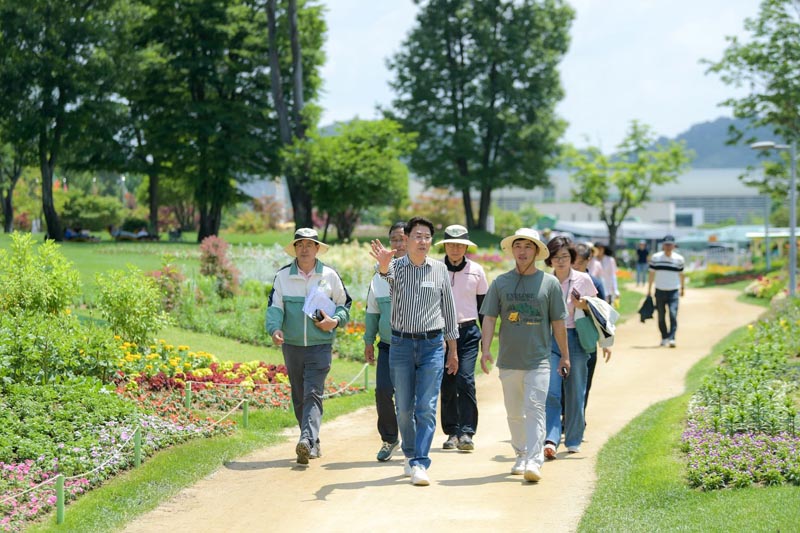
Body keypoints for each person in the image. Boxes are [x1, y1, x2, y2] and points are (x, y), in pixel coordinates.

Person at [370, 216, 459, 487]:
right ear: (406, 239)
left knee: (426, 407)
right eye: (417, 236)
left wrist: (453, 349)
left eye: (427, 237)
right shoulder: (395, 267)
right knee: (405, 408)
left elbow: (449, 311)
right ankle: (409, 453)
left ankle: (420, 461)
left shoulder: (439, 270)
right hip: (401, 345)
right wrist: (383, 265)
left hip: (433, 345)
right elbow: (384, 275)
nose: (422, 241)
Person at [479, 228, 568, 483]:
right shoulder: (500, 283)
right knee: (514, 412)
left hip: (539, 360)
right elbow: (489, 317)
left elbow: (558, 322)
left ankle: (534, 459)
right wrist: (485, 350)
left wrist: (564, 355)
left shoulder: (549, 284)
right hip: (509, 360)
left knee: (535, 408)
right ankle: (520, 453)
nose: (522, 251)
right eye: (518, 246)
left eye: (528, 247)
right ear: (512, 250)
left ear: (537, 252)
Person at [266, 228, 352, 465]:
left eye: (309, 244)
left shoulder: (330, 276)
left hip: (320, 345)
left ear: (317, 249)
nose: (304, 248)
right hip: (292, 345)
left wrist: (334, 322)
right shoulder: (283, 276)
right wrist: (274, 329)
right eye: (300, 244)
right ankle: (313, 441)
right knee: (299, 394)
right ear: (295, 249)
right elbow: (275, 307)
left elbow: (344, 305)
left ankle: (305, 440)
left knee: (313, 392)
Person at [543, 236, 597, 461]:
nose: (561, 261)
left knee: (575, 390)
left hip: (575, 337)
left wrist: (582, 304)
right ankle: (551, 439)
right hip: (551, 339)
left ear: (572, 258)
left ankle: (573, 439)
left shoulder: (582, 279)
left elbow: (597, 309)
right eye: (556, 257)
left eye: (565, 256)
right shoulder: (544, 281)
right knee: (552, 391)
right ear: (549, 260)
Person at [435, 225, 488, 452]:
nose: (455, 249)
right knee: (447, 384)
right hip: (440, 333)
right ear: (445, 246)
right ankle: (452, 432)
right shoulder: (435, 270)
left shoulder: (477, 271)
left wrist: (486, 343)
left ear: (466, 247)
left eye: (459, 245)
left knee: (465, 380)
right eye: (451, 244)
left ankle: (467, 432)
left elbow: (484, 310)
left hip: (467, 332)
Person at [363, 222, 407, 462]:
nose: (398, 244)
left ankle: (414, 442)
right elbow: (373, 311)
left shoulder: (421, 270)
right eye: (394, 240)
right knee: (382, 391)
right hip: (388, 345)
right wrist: (369, 341)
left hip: (414, 345)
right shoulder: (378, 276)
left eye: (402, 239)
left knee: (410, 396)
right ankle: (390, 438)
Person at [572, 243, 611, 412]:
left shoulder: (595, 283)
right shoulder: (558, 279)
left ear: (589, 260)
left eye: (580, 263)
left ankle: (579, 416)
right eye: (573, 261)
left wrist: (606, 342)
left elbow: (603, 314)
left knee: (584, 381)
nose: (575, 266)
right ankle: (567, 416)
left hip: (587, 338)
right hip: (563, 336)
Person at [647, 234, 685, 348]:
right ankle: (664, 337)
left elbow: (682, 275)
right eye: (666, 245)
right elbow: (651, 274)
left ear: (674, 246)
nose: (668, 247)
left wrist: (683, 288)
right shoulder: (656, 258)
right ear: (663, 246)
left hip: (673, 290)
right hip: (659, 290)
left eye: (670, 245)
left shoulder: (679, 259)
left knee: (673, 314)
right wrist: (648, 289)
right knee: (661, 316)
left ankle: (672, 338)